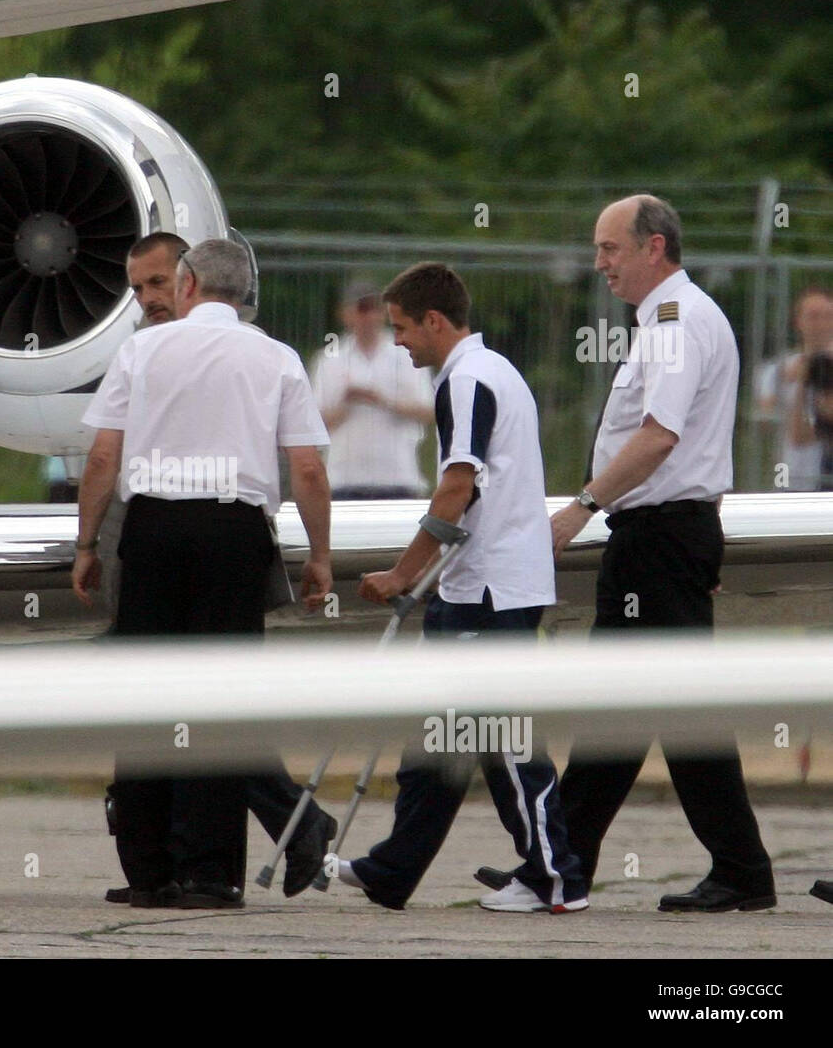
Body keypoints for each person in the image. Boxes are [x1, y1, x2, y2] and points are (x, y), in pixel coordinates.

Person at [508, 194, 775, 913]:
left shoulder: (674, 324)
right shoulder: (673, 320)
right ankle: (564, 861)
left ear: (654, 247)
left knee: (664, 708)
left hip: (658, 537)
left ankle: (735, 871)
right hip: (664, 536)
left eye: (610, 249)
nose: (600, 264)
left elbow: (661, 437)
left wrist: (581, 508)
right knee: (625, 706)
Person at [74, 238, 333, 908]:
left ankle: (150, 871)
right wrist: (321, 557)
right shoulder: (277, 359)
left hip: (154, 528)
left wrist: (86, 544)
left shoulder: (142, 351)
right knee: (218, 703)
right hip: (232, 534)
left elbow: (103, 457)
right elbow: (306, 469)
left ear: (186, 283)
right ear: (243, 290)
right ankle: (210, 873)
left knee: (146, 700)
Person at [335, 262, 588, 914]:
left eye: (402, 329)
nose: (397, 343)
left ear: (435, 322)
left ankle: (555, 880)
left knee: (502, 742)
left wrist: (401, 573)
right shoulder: (488, 371)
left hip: (491, 591)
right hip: (478, 586)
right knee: (436, 741)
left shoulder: (468, 381)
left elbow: (458, 486)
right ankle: (392, 872)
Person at [311, 280, 435, 498]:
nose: (369, 317)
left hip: (397, 477)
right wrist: (347, 403)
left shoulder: (406, 354)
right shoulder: (329, 359)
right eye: (362, 309)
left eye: (374, 309)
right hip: (344, 480)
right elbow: (312, 425)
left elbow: (429, 412)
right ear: (345, 314)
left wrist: (382, 400)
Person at [755, 286, 833, 490]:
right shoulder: (776, 370)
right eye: (814, 316)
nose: (822, 324)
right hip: (788, 475)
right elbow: (766, 421)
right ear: (798, 322)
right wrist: (798, 381)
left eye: (828, 316)